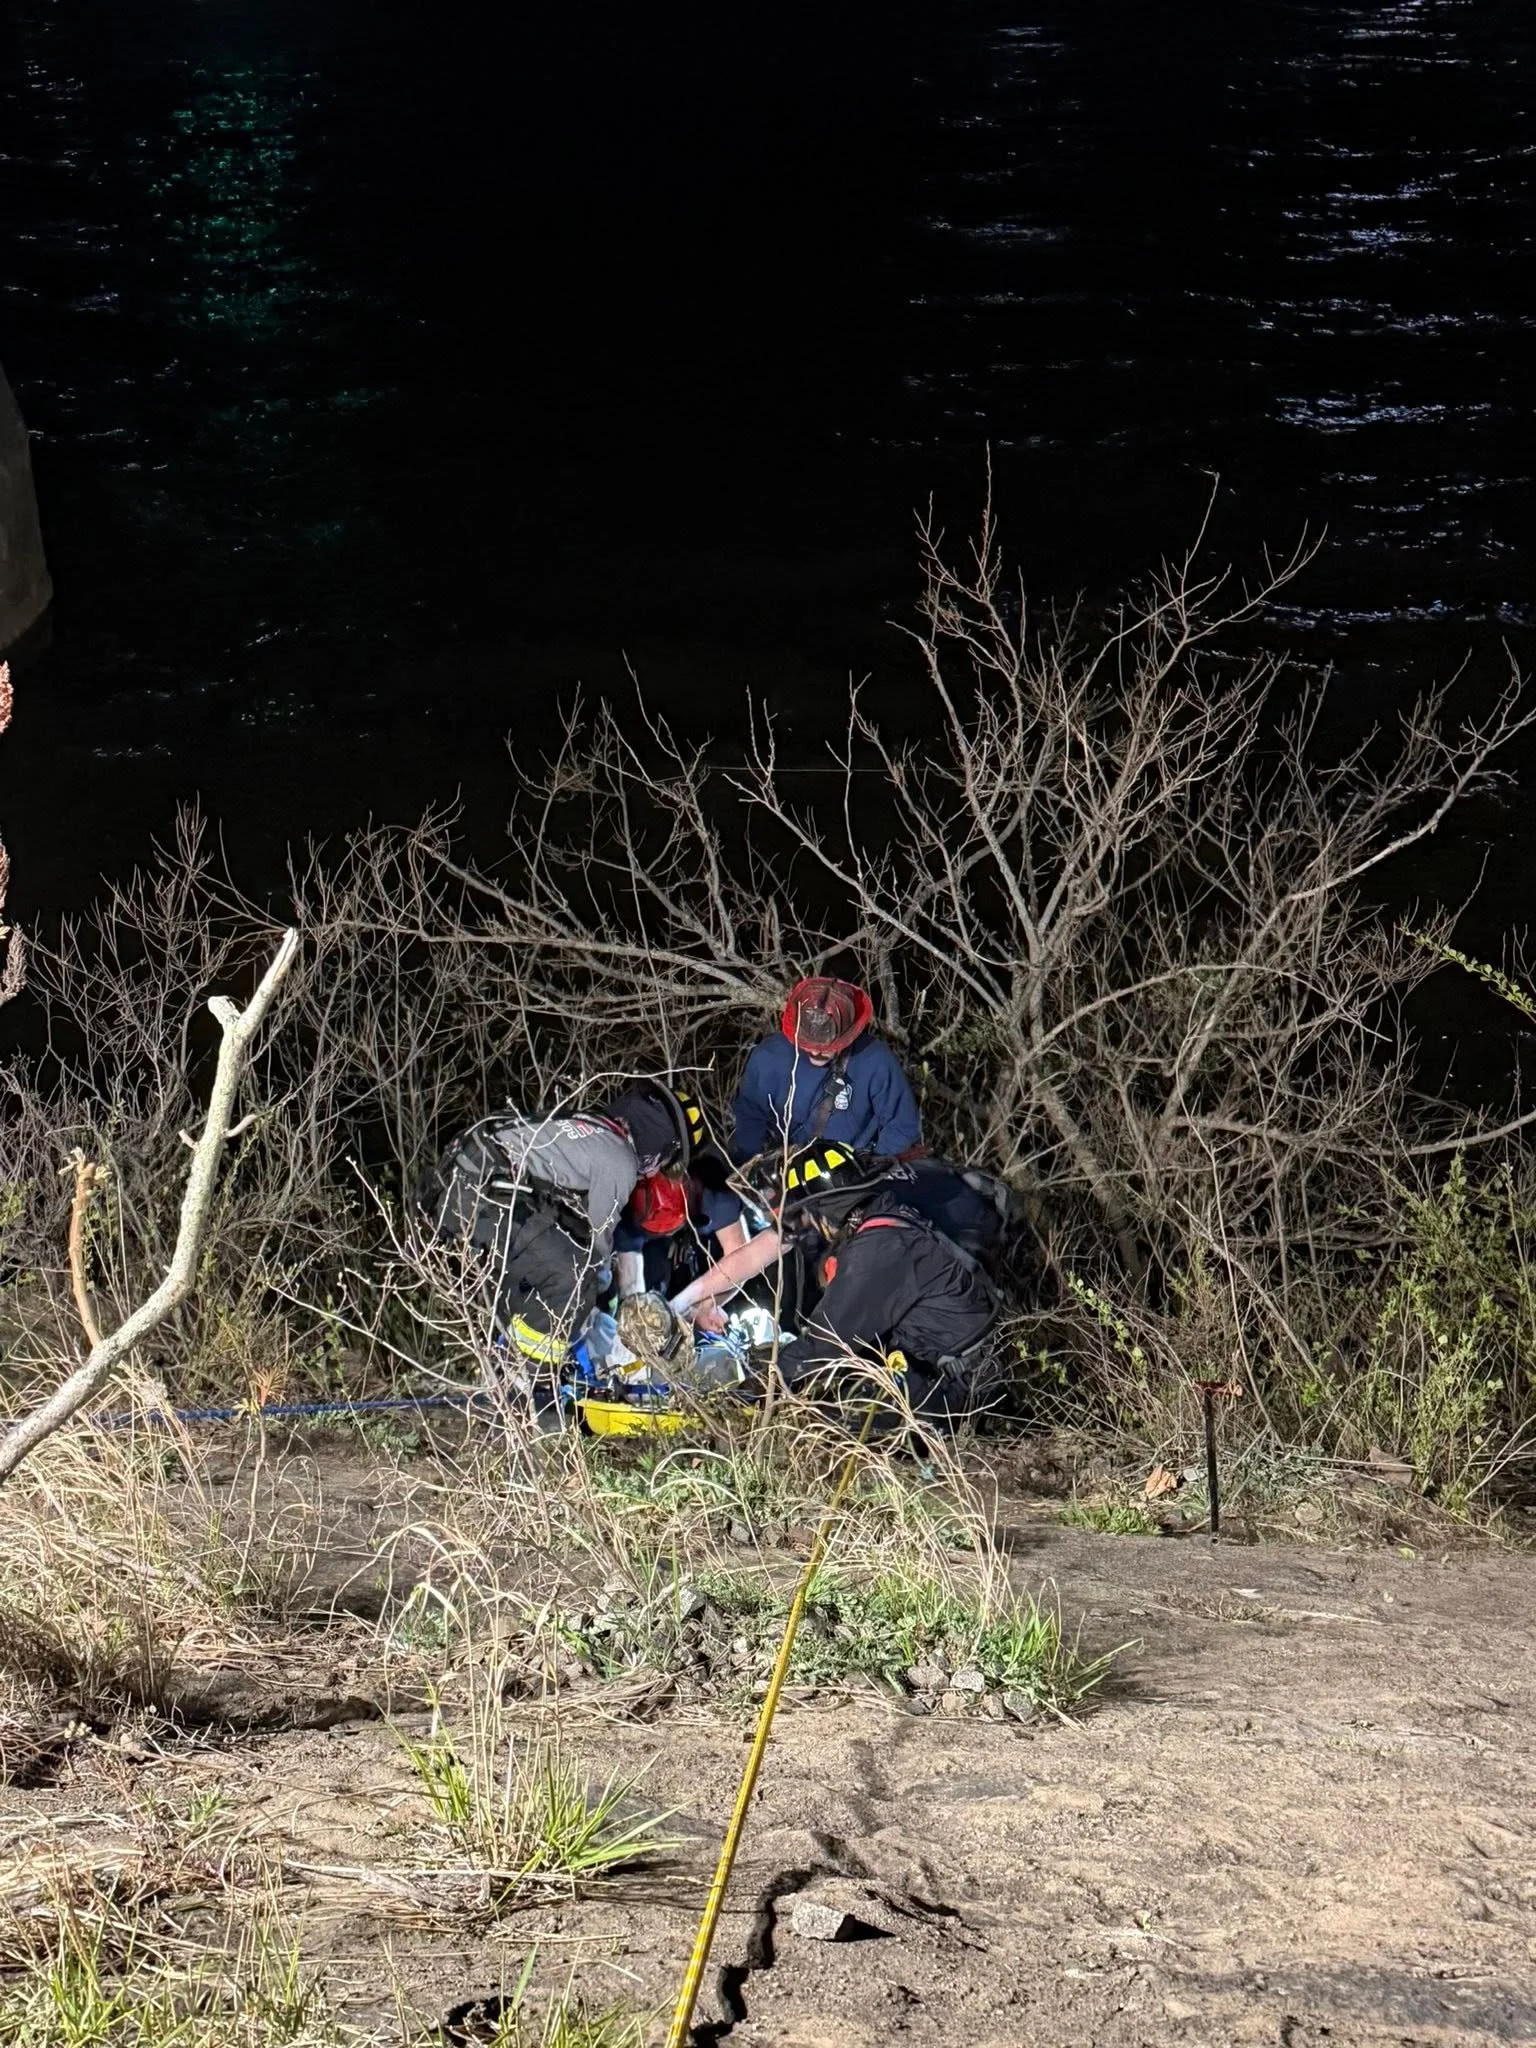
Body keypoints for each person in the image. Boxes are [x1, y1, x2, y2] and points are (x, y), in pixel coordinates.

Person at [420, 1080, 691, 1371]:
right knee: (572, 1281)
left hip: (466, 1181)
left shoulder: (595, 1128)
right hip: (481, 1192)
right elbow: (595, 1250)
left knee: (542, 1276)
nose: (653, 1170)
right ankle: (530, 1386)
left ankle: (507, 1370)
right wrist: (605, 1292)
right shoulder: (620, 1159)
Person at [767, 1143, 1001, 1417]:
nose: (813, 1227)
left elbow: (827, 1343)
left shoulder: (880, 1247)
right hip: (957, 1372)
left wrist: (763, 1386)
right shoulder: (888, 1217)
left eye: (808, 1216)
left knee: (825, 1416)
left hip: (960, 1392)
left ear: (823, 1210)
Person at [730, 976, 922, 1164]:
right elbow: (749, 1117)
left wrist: (873, 1169)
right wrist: (748, 1168)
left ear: (848, 1035)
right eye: (808, 1042)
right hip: (783, 1171)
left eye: (825, 1046)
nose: (815, 1050)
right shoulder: (769, 1057)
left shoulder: (874, 1060)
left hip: (850, 1176)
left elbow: (901, 1125)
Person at [611, 1083, 751, 1298]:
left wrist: (704, 1307)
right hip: (646, 1235)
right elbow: (631, 1279)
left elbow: (741, 1257)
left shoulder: (715, 1188)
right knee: (655, 1274)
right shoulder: (627, 1195)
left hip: (704, 1232)